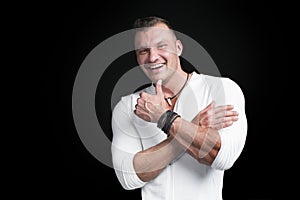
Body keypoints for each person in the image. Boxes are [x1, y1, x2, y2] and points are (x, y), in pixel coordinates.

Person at [111, 16, 247, 200]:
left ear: (178, 48)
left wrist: (164, 119)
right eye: (143, 50)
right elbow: (128, 177)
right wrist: (191, 127)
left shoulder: (221, 89)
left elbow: (222, 157)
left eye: (161, 46)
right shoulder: (129, 106)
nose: (152, 57)